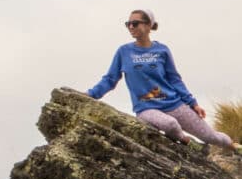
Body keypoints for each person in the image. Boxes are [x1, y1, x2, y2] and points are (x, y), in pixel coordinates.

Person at [86, 9, 242, 155]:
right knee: (170, 124)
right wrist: (90, 95)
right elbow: (110, 79)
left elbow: (174, 79)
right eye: (128, 24)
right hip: (146, 109)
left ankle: (234, 147)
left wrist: (193, 103)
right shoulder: (123, 52)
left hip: (174, 103)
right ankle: (188, 142)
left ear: (148, 26)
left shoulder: (162, 50)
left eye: (135, 23)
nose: (130, 27)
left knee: (210, 136)